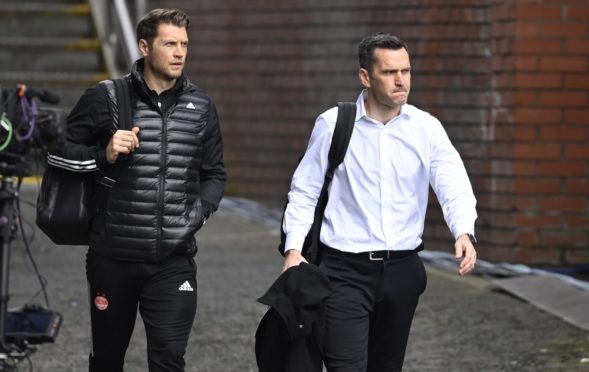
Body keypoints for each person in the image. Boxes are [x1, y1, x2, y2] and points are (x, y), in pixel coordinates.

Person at [282, 33, 478, 372]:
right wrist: (294, 251)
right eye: (389, 72)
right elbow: (304, 191)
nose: (401, 80)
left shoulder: (426, 128)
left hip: (402, 271)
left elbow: (452, 182)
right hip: (344, 272)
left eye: (406, 70)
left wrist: (463, 231)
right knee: (348, 366)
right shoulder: (333, 125)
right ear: (365, 77)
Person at [52, 8, 226, 372]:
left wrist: (194, 216)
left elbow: (214, 174)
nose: (179, 52)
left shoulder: (202, 107)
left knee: (168, 359)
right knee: (107, 360)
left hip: (173, 261)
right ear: (145, 46)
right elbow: (57, 153)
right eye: (170, 44)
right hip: (112, 258)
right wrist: (104, 154)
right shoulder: (106, 98)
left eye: (184, 45)